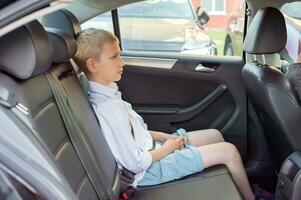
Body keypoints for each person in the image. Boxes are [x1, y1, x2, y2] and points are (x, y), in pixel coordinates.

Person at [75, 28, 256, 200]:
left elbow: (136, 131)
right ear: (93, 64)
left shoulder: (109, 93)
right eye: (114, 57)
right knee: (229, 152)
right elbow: (135, 164)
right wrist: (168, 149)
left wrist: (166, 137)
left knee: (215, 135)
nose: (122, 62)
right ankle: (251, 198)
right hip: (147, 171)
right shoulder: (107, 109)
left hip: (152, 148)